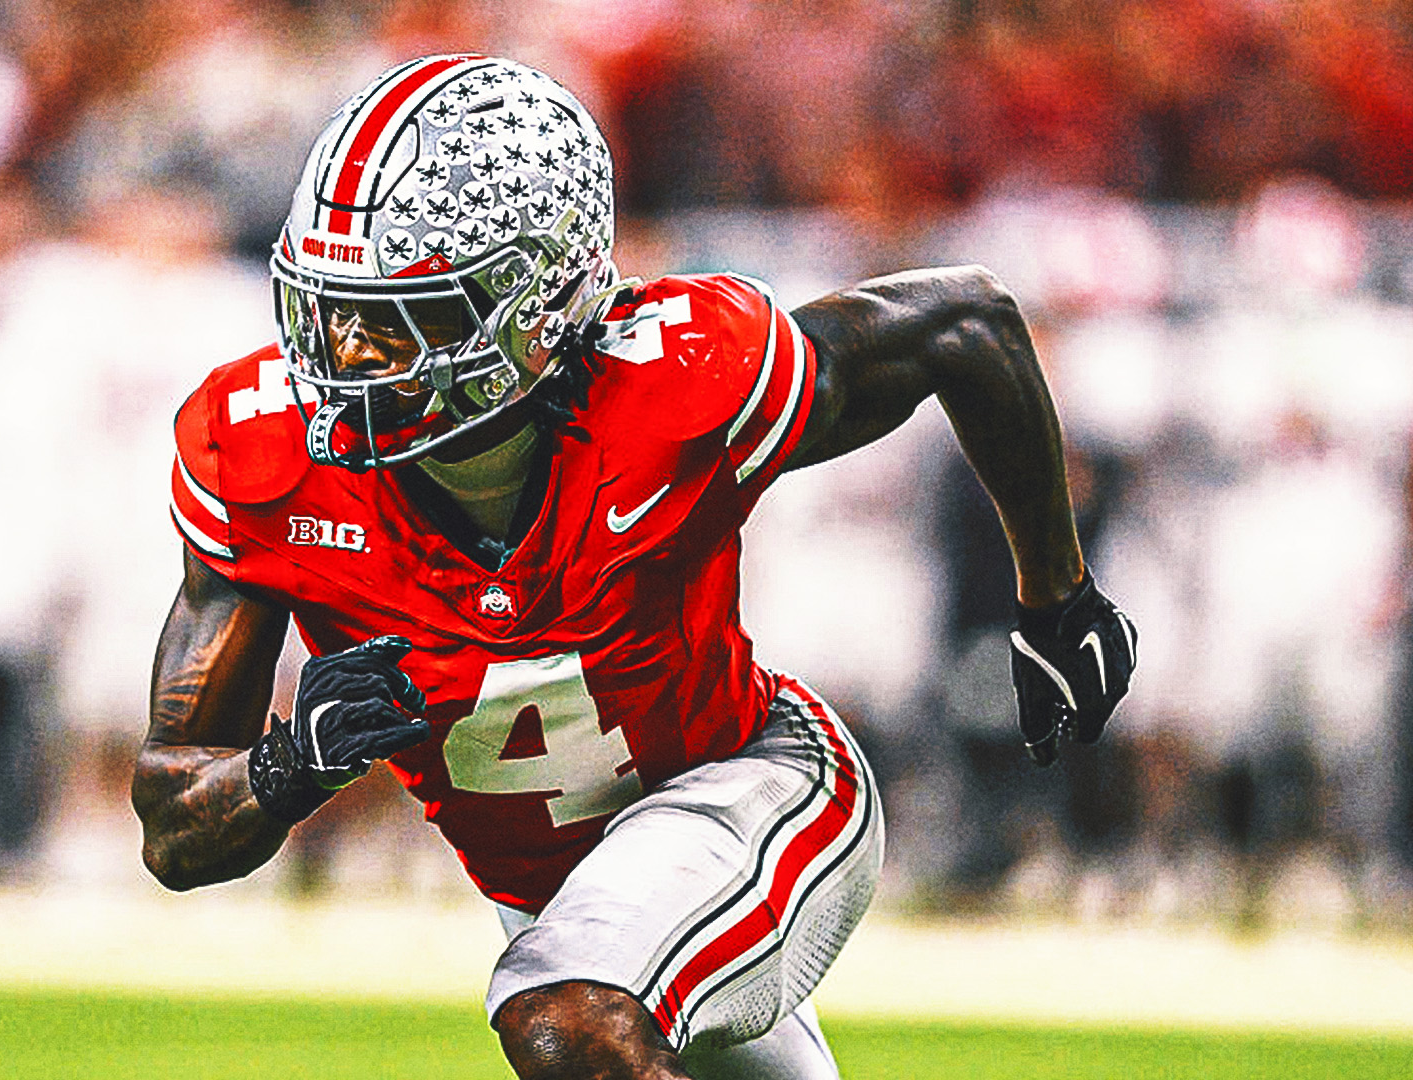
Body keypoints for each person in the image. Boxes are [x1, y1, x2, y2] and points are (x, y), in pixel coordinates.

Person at [132, 55, 1138, 1080]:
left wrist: (1057, 600)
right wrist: (289, 766)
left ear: (536, 305)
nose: (349, 353)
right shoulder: (264, 457)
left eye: (401, 316)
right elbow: (171, 826)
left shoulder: (674, 380)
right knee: (582, 1015)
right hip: (563, 903)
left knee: (568, 1021)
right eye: (333, 309)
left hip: (756, 785)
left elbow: (965, 321)